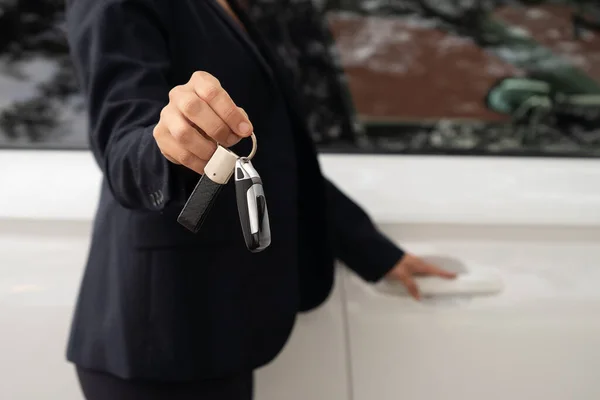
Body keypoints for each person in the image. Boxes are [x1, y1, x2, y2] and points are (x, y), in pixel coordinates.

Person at [64, 0, 456, 399]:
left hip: (219, 328)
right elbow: (123, 140)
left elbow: (274, 157)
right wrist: (167, 143)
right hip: (162, 337)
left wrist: (373, 252)